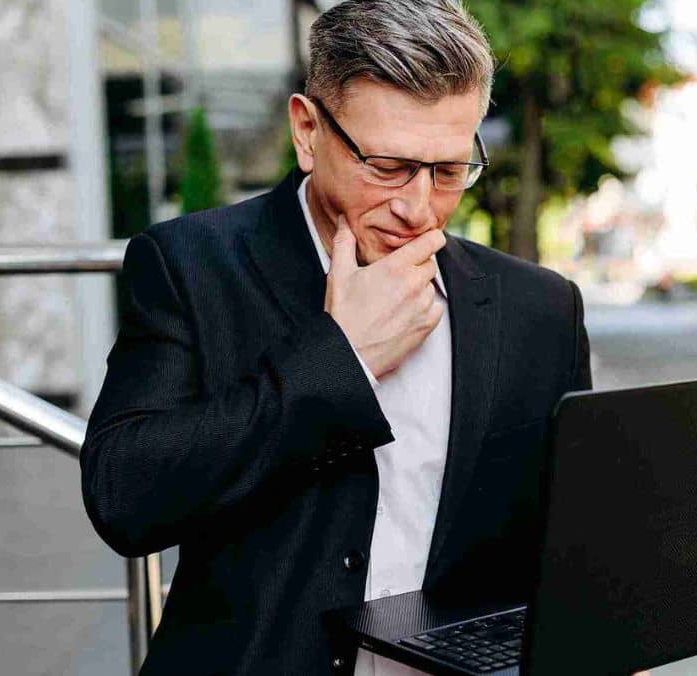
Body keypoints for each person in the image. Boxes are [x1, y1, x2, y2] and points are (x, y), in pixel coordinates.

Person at [79, 1, 591, 674]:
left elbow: (569, 538)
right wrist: (340, 362)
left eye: (447, 170)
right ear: (307, 130)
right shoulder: (190, 266)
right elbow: (125, 497)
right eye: (386, 165)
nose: (417, 207)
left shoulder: (541, 308)